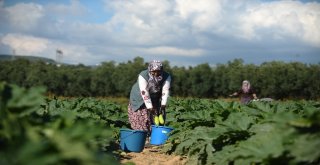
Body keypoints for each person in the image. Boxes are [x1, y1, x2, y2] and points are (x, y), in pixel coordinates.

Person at [128, 60, 171, 137]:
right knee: (142, 117)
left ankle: (153, 137)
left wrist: (163, 104)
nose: (156, 73)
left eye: (158, 71)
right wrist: (149, 107)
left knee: (156, 117)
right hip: (140, 98)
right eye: (154, 71)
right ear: (150, 69)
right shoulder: (143, 75)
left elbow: (165, 90)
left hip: (155, 97)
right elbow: (144, 92)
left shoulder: (166, 76)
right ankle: (142, 137)